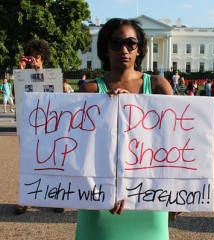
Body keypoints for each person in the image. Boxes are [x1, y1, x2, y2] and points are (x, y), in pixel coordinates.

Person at [75, 18, 177, 240]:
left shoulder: (159, 86)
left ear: (139, 48)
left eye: (131, 43)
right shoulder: (90, 90)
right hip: (102, 199)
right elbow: (79, 150)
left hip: (148, 198)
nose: (124, 49)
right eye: (115, 43)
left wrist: (136, 108)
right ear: (105, 48)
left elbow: (172, 143)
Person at [15, 39, 64, 214]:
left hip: (48, 124)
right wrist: (21, 70)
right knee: (28, 161)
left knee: (52, 161)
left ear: (43, 58)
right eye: (31, 57)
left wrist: (39, 72)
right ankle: (26, 197)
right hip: (27, 124)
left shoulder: (51, 75)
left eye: (37, 57)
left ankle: (55, 197)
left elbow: (56, 96)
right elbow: (18, 97)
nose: (34, 60)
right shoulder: (21, 76)